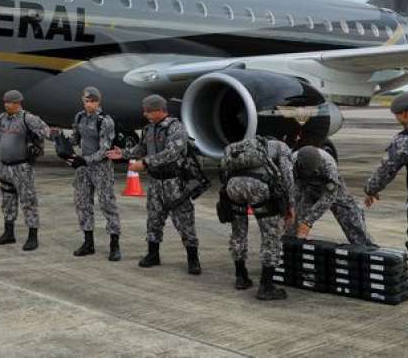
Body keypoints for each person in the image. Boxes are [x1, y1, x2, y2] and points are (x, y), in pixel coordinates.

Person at [109, 94, 201, 275]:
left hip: (175, 182)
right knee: (154, 219)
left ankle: (193, 258)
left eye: (149, 111)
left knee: (184, 221)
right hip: (155, 182)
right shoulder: (148, 129)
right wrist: (124, 153)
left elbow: (172, 153)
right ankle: (153, 254)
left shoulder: (176, 128)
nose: (145, 114)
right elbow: (142, 148)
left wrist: (145, 163)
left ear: (160, 110)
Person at [363, 91, 408, 344]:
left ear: (404, 114)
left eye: (397, 117)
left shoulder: (407, 139)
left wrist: (371, 190)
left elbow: (386, 169)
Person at [0, 90, 50, 251]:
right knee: (8, 201)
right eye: (5, 102)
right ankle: (9, 233)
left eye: (8, 102)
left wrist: (34, 142)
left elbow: (45, 130)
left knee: (28, 201)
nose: (5, 105)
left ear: (17, 103)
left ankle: (32, 236)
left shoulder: (26, 118)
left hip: (21, 167)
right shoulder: (3, 118)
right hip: (4, 166)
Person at [220, 135, 295, 300]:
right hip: (257, 186)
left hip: (233, 187)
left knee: (238, 233)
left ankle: (241, 277)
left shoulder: (239, 147)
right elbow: (288, 176)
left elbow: (223, 171)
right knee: (271, 235)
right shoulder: (281, 147)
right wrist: (290, 206)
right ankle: (266, 286)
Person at [67, 86, 121, 260]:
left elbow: (105, 149)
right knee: (82, 203)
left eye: (92, 101)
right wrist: (60, 140)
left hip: (101, 168)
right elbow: (75, 139)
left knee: (107, 204)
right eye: (86, 101)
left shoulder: (105, 121)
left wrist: (86, 160)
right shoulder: (80, 117)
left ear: (98, 101)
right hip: (84, 169)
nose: (88, 104)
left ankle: (114, 245)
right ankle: (88, 242)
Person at [292, 145, 374, 245]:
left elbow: (329, 196)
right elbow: (291, 189)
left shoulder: (328, 164)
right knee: (294, 223)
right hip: (307, 188)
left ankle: (365, 248)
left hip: (332, 189)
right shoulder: (291, 163)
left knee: (352, 221)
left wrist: (308, 222)